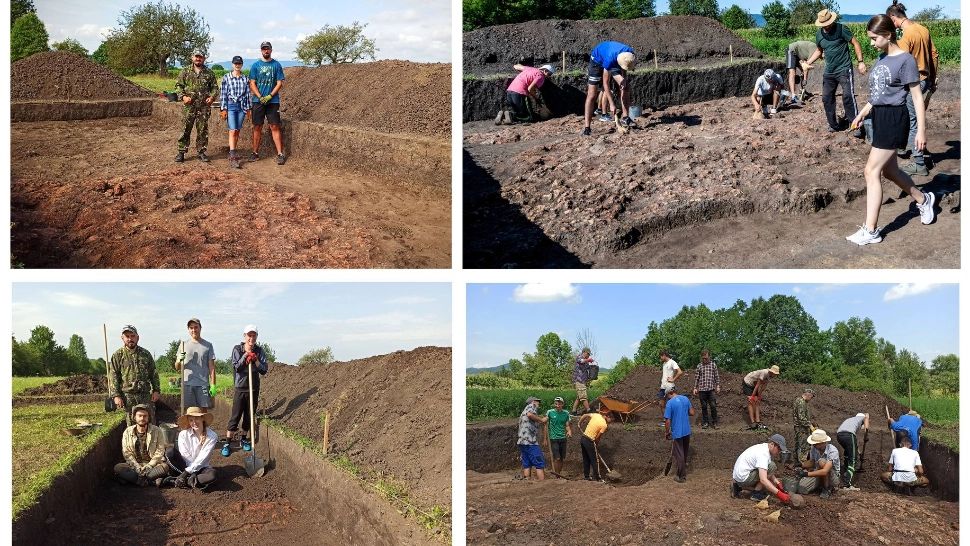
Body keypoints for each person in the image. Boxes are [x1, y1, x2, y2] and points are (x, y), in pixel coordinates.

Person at [844, 14, 935, 246]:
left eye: (874, 39)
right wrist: (863, 112)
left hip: (895, 118)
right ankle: (924, 200)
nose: (871, 43)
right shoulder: (881, 59)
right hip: (879, 116)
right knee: (890, 171)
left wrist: (922, 131)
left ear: (887, 34)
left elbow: (916, 96)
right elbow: (879, 94)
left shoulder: (905, 60)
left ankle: (871, 230)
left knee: (870, 171)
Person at [887, 1, 939, 176]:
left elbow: (899, 62)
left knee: (912, 121)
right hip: (924, 79)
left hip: (912, 83)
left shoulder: (906, 37)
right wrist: (932, 78)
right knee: (913, 116)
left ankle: (918, 162)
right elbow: (934, 54)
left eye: (889, 20)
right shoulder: (923, 29)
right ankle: (907, 148)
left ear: (894, 17)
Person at [804, 9, 867, 135]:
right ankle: (833, 125)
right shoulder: (819, 35)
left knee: (848, 96)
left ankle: (856, 125)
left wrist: (860, 62)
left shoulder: (842, 29)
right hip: (829, 71)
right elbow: (819, 51)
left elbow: (855, 43)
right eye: (823, 24)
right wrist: (808, 62)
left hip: (844, 68)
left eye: (827, 23)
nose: (826, 26)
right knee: (827, 98)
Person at [222, 325, 269, 457]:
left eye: (254, 335)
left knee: (249, 415)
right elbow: (237, 367)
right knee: (235, 416)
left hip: (253, 388)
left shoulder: (260, 351)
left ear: (256, 337)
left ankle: (243, 439)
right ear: (245, 336)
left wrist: (256, 360)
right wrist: (246, 357)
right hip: (240, 387)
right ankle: (227, 442)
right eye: (249, 335)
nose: (251, 338)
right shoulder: (237, 349)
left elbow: (264, 370)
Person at [108, 325, 161, 426]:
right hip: (128, 397)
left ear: (137, 337)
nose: (130, 339)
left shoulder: (145, 354)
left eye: (132, 336)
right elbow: (113, 376)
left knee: (149, 422)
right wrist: (116, 396)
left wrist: (156, 390)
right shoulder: (118, 355)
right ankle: (133, 442)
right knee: (131, 425)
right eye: (127, 336)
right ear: (122, 338)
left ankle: (151, 442)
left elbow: (153, 373)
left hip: (145, 395)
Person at [582, 41, 636, 136]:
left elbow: (625, 69)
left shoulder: (630, 54)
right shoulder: (609, 59)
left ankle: (625, 118)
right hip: (597, 61)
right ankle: (587, 128)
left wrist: (623, 82)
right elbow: (605, 83)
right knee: (592, 94)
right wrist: (611, 104)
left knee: (625, 86)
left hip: (617, 60)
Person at [174, 49, 218, 163]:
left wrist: (212, 97)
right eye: (196, 56)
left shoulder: (209, 73)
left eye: (200, 57)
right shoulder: (185, 71)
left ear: (204, 58)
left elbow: (214, 88)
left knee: (202, 130)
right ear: (192, 57)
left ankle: (201, 152)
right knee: (185, 129)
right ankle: (181, 152)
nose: (198, 58)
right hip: (189, 106)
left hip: (203, 106)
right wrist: (183, 97)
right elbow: (178, 86)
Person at [159, 406, 218, 489]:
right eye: (191, 420)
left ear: (202, 419)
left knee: (212, 475)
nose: (194, 422)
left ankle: (176, 481)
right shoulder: (183, 434)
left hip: (202, 467)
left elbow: (203, 457)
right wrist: (190, 471)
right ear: (189, 422)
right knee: (169, 451)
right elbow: (185, 455)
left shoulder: (212, 436)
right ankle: (190, 481)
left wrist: (189, 472)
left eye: (197, 418)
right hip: (185, 465)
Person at [249, 41, 286, 165]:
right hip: (257, 101)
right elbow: (252, 83)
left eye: (268, 49)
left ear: (271, 50)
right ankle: (255, 153)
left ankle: (280, 154)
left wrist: (270, 95)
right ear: (261, 50)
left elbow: (279, 83)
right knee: (257, 126)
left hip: (273, 101)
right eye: (264, 49)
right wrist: (260, 96)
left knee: (274, 126)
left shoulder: (276, 65)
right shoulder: (255, 65)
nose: (266, 51)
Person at [113, 404, 167, 486]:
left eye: (145, 416)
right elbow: (126, 453)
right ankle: (149, 480)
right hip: (134, 466)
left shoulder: (157, 431)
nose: (142, 418)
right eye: (140, 416)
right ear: (134, 417)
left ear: (148, 418)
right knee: (118, 468)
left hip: (152, 465)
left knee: (165, 467)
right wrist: (136, 467)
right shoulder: (127, 432)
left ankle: (136, 480)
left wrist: (149, 466)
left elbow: (160, 451)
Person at [731, 434, 792, 504]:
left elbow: (766, 469)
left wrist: (777, 482)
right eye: (779, 449)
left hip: (738, 476)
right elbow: (763, 480)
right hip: (743, 478)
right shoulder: (763, 454)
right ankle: (756, 494)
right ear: (772, 444)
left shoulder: (764, 447)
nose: (779, 452)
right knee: (772, 466)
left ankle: (736, 487)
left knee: (770, 467)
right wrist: (780, 494)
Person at [175, 317, 216, 409]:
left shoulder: (208, 345)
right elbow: (177, 367)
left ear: (200, 328)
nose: (194, 330)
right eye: (191, 328)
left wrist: (213, 385)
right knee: (190, 412)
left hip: (203, 384)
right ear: (188, 330)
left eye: (196, 327)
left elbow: (212, 367)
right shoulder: (183, 345)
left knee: (203, 412)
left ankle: (204, 424)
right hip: (187, 384)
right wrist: (179, 360)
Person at [219, 55, 252, 169]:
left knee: (237, 130)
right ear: (232, 64)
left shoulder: (245, 79)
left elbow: (248, 95)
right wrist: (223, 108)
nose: (237, 65)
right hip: (231, 106)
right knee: (232, 130)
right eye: (235, 63)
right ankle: (233, 156)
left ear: (242, 65)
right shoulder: (226, 77)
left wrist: (248, 109)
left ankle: (232, 150)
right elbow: (223, 94)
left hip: (242, 106)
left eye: (239, 63)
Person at [793, 429, 841, 498]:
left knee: (822, 462)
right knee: (802, 488)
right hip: (819, 473)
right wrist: (801, 464)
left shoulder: (832, 451)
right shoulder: (814, 448)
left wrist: (806, 474)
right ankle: (820, 485)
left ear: (822, 443)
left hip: (832, 478)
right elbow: (812, 462)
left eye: (815, 443)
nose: (813, 445)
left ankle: (826, 488)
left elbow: (825, 471)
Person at [664, 387, 695, 483]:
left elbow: (667, 420)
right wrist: (683, 413)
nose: (668, 398)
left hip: (677, 432)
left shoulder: (670, 403)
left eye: (667, 396)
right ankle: (679, 472)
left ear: (669, 393)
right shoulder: (685, 399)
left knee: (679, 454)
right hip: (686, 430)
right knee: (684, 453)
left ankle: (681, 476)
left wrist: (667, 432)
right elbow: (692, 412)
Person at [577, 405, 613, 482]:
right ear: (607, 416)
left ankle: (586, 476)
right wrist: (595, 444)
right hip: (590, 440)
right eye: (611, 419)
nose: (611, 421)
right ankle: (597, 478)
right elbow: (598, 437)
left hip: (583, 439)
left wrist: (579, 423)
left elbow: (584, 415)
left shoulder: (596, 415)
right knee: (595, 460)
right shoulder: (604, 425)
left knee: (586, 459)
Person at [836, 412, 870, 490]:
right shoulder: (862, 418)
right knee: (853, 460)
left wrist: (858, 453)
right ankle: (847, 484)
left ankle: (845, 473)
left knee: (848, 455)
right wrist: (866, 434)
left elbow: (853, 445)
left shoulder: (851, 421)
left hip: (839, 435)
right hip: (848, 435)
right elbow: (867, 417)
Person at [517, 396, 547, 480]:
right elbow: (530, 415)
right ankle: (543, 484)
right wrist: (541, 420)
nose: (539, 404)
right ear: (533, 401)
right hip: (530, 441)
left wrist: (539, 419)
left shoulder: (523, 411)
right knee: (539, 462)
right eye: (538, 402)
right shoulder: (531, 406)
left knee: (527, 463)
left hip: (522, 441)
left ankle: (527, 481)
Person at [741, 365, 779, 430]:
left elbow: (763, 387)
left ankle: (758, 422)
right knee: (751, 401)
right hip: (748, 382)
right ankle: (753, 423)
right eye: (775, 374)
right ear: (772, 372)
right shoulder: (764, 372)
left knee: (757, 402)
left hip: (754, 384)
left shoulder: (769, 376)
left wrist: (759, 396)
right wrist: (752, 396)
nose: (775, 375)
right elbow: (758, 385)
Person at [692, 349, 721, 429]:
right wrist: (695, 388)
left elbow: (716, 376)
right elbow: (697, 378)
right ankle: (705, 423)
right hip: (702, 390)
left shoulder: (713, 365)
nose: (705, 360)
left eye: (706, 358)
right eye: (703, 358)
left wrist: (718, 386)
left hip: (711, 389)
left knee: (713, 406)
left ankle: (715, 422)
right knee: (704, 407)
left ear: (709, 357)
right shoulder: (699, 366)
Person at [545, 396, 572, 477]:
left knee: (562, 458)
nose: (557, 405)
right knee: (557, 458)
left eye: (559, 403)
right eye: (556, 403)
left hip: (563, 438)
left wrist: (569, 431)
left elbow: (567, 425)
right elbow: (545, 425)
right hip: (554, 438)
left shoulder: (566, 413)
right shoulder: (550, 412)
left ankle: (558, 474)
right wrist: (545, 438)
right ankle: (557, 475)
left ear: (562, 404)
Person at [658, 350, 683, 427]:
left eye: (661, 356)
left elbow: (680, 372)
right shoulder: (664, 364)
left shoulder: (672, 362)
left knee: (670, 404)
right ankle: (665, 420)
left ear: (664, 355)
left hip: (669, 387)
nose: (660, 358)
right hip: (663, 387)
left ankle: (672, 421)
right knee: (661, 404)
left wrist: (673, 379)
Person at [792, 388, 816, 462]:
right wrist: (810, 425)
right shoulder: (801, 402)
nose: (811, 399)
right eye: (811, 397)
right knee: (804, 446)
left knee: (797, 445)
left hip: (798, 427)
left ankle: (796, 462)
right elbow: (801, 418)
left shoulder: (798, 400)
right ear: (808, 394)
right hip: (802, 428)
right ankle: (803, 464)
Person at [571, 348, 594, 415]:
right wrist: (588, 360)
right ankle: (588, 410)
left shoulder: (586, 361)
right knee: (583, 397)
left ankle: (574, 411)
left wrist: (592, 365)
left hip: (583, 381)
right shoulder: (579, 357)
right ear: (584, 352)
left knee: (579, 397)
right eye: (588, 354)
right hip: (579, 380)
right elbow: (580, 361)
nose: (588, 356)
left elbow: (587, 368)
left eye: (589, 355)